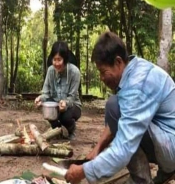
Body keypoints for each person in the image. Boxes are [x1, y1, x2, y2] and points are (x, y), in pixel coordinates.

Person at [65, 31, 175, 184]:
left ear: (118, 62)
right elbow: (121, 117)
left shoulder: (137, 85)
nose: (102, 78)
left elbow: (124, 147)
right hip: (167, 140)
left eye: (103, 72)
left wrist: (84, 171)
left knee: (114, 107)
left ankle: (142, 180)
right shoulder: (133, 71)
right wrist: (98, 148)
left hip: (171, 146)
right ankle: (166, 171)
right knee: (114, 105)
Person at [34, 41, 82, 140]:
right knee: (47, 111)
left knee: (65, 116)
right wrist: (40, 99)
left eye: (59, 60)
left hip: (73, 106)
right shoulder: (50, 70)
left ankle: (71, 129)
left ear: (65, 59)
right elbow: (46, 94)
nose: (56, 63)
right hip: (56, 106)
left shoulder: (75, 72)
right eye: (54, 59)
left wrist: (65, 103)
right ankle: (57, 131)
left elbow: (72, 98)